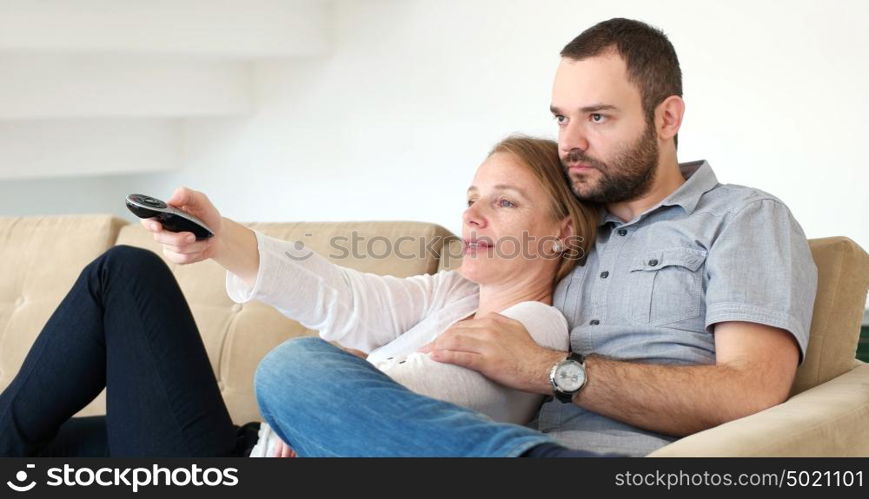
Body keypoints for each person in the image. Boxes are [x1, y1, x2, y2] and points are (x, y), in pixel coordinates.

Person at [250, 18, 818, 457]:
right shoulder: (553, 227)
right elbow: (380, 307)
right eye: (561, 118)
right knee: (300, 368)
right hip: (492, 447)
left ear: (667, 118)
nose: (570, 141)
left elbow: (751, 393)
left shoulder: (741, 217)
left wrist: (549, 369)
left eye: (597, 117)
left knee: (291, 372)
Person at [0, 136, 600, 457]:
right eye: (472, 198)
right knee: (36, 447)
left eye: (504, 202)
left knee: (125, 275)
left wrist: (339, 370)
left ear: (562, 233)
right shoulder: (454, 292)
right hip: (245, 442)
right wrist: (219, 236)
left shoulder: (538, 329)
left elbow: (389, 400)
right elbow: (344, 299)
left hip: (225, 466)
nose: (472, 216)